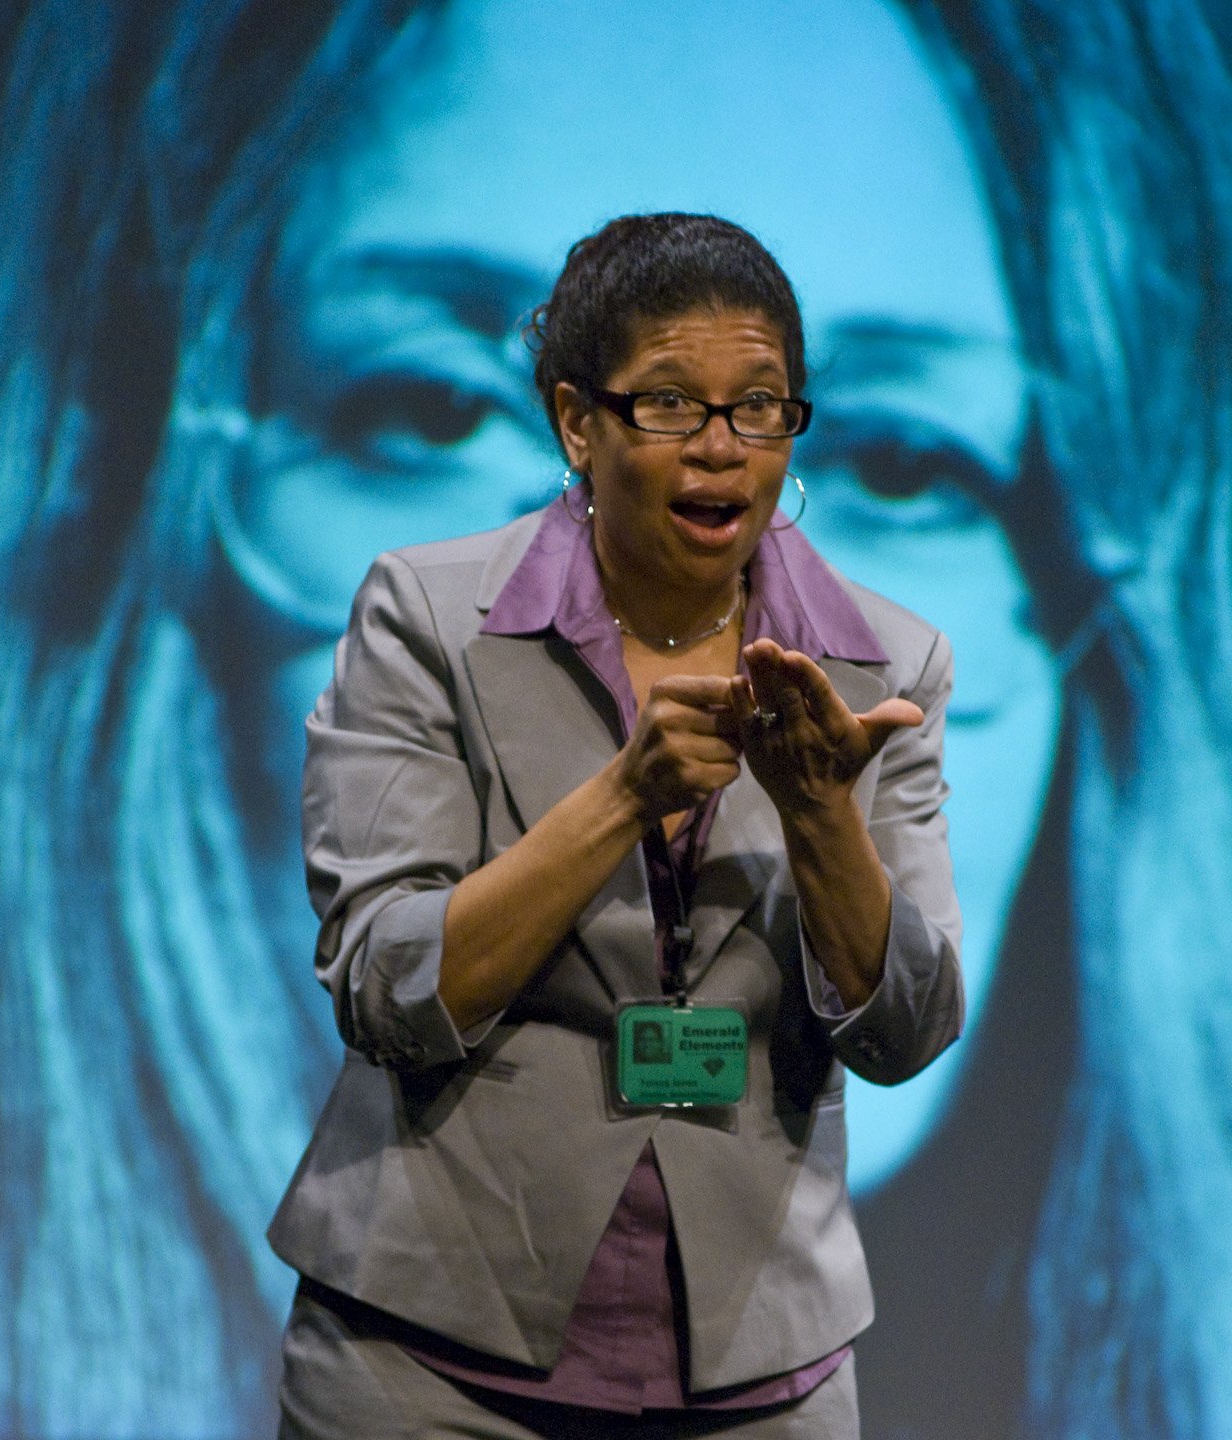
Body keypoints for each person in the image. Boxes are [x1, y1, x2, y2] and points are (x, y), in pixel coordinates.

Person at [0, 2, 1232, 1437]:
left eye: (897, 447)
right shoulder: (425, 645)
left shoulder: (867, 684)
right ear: (100, 507)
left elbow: (899, 1018)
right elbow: (409, 980)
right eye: (422, 413)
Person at [268, 209, 960, 1435]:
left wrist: (822, 819)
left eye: (760, 407)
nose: (721, 451)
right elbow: (385, 987)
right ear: (575, 423)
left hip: (756, 1375)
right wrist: (621, 799)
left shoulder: (885, 664)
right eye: (670, 406)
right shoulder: (428, 621)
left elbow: (904, 1030)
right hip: (431, 1362)